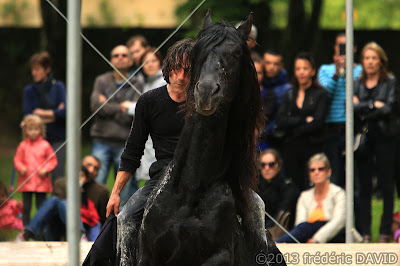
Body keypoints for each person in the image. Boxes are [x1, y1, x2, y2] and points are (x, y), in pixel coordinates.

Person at [353, 42, 397, 243]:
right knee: (364, 186)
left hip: (385, 138)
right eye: (367, 58)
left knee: (387, 184)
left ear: (381, 61)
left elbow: (389, 108)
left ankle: (385, 231)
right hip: (363, 138)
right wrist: (372, 105)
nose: (370, 62)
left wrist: (363, 107)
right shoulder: (357, 82)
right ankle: (365, 232)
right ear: (362, 61)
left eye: (374, 58)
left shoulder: (390, 81)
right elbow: (351, 107)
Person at [90, 45, 143, 208]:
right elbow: (95, 107)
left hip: (125, 143)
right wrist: (122, 107)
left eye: (124, 55)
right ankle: (94, 226)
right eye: (116, 55)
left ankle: (118, 229)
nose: (120, 58)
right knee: (95, 186)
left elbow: (135, 114)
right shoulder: (101, 80)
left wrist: (107, 104)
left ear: (130, 60)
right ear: (111, 60)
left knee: (124, 193)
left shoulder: (137, 83)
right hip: (101, 140)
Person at [276, 52, 329, 191]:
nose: (301, 72)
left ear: (312, 71)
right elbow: (280, 120)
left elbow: (318, 122)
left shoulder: (320, 94)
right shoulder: (290, 93)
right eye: (298, 69)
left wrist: (293, 126)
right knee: (295, 185)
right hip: (292, 148)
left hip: (313, 147)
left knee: (312, 185)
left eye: (305, 68)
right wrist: (304, 120)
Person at [317, 32, 362, 188]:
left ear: (354, 48)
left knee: (355, 179)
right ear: (334, 48)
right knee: (335, 178)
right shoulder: (325, 70)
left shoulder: (361, 70)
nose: (342, 49)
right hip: (331, 128)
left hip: (353, 128)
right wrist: (337, 73)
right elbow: (323, 96)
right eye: (340, 45)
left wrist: (349, 70)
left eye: (346, 45)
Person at [17, 165, 101, 241]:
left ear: (86, 179)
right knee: (55, 200)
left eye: (81, 176)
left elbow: (95, 222)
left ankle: (80, 235)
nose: (78, 178)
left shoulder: (87, 202)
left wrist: (95, 242)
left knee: (62, 202)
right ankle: (28, 233)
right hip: (56, 229)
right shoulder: (61, 190)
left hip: (75, 231)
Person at [276, 153, 346, 243]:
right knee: (304, 227)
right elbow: (300, 224)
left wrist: (316, 240)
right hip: (308, 234)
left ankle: (277, 243)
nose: (316, 172)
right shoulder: (304, 196)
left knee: (306, 227)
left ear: (329, 172)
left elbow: (339, 222)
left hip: (335, 236)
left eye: (320, 169)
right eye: (312, 170)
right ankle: (277, 244)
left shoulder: (338, 193)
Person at [121, 48, 167, 183]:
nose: (150, 64)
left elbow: (154, 106)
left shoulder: (164, 81)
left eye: (153, 60)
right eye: (146, 62)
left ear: (160, 62)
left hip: (161, 137)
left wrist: (129, 107)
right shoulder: (145, 82)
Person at [22, 51, 66, 182]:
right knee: (36, 179)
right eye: (32, 70)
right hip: (36, 140)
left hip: (58, 138)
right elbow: (28, 115)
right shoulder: (29, 90)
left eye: (37, 69)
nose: (33, 73)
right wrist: (54, 114)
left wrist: (40, 113)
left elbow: (65, 113)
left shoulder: (58, 87)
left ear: (47, 69)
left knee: (58, 178)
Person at [14, 114, 58, 226]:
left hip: (41, 182)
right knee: (26, 207)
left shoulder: (45, 145)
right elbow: (17, 159)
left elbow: (52, 160)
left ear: (41, 130)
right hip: (27, 182)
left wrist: (46, 170)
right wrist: (21, 168)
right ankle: (26, 229)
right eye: (30, 129)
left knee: (41, 206)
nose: (33, 132)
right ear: (26, 131)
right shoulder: (22, 146)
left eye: (36, 129)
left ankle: (41, 230)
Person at [257, 149, 299, 239]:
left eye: (271, 164)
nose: (267, 168)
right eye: (263, 165)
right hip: (258, 232)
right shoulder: (256, 187)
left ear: (278, 166)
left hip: (282, 234)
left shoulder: (288, 188)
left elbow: (281, 216)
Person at [260, 50, 292, 149]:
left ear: (281, 66)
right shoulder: (257, 83)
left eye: (276, 64)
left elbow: (282, 117)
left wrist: (262, 132)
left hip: (276, 140)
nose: (271, 67)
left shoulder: (287, 89)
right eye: (268, 63)